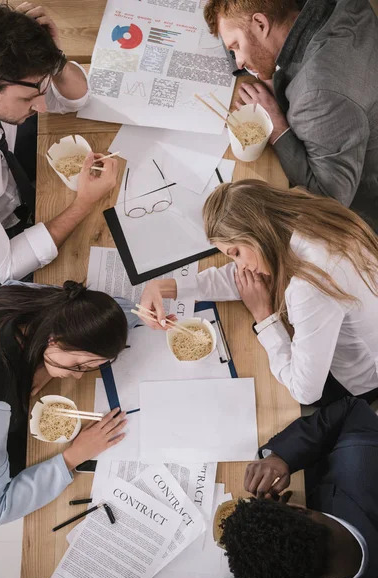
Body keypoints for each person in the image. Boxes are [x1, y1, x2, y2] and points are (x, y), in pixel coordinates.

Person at [139, 180, 378, 405]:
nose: (238, 265)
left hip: (359, 383)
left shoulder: (310, 285)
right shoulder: (297, 215)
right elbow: (245, 275)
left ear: (256, 231)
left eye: (235, 253)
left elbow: (305, 392)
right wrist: (165, 287)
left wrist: (263, 317)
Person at [203, 0, 378, 230]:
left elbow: (330, 203)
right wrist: (262, 63)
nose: (239, 61)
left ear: (261, 23)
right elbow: (241, 24)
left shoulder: (317, 95)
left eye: (236, 46)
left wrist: (276, 127)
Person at [0, 2, 118, 285]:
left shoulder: (0, 87)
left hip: (15, 187)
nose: (41, 106)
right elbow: (6, 266)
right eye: (29, 99)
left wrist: (55, 59)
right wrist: (84, 203)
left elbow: (76, 98)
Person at [0, 281, 138, 525]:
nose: (76, 375)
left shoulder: (50, 304)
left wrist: (44, 366)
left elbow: (118, 311)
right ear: (54, 340)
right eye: (77, 366)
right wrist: (74, 456)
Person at [214, 397, 378, 578]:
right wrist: (281, 456)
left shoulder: (362, 461)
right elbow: (352, 410)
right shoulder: (361, 461)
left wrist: (255, 564)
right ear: (297, 509)